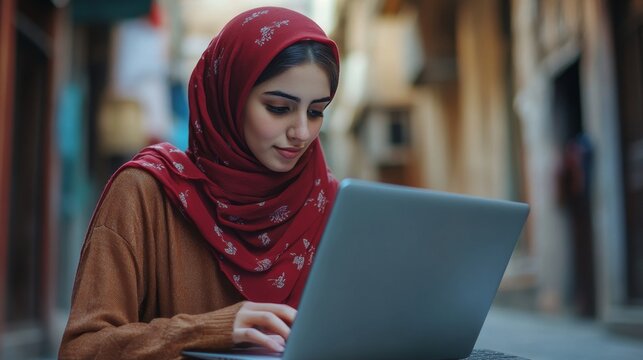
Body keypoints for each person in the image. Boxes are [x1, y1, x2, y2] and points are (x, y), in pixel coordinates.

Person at [59, 6, 340, 359]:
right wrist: (206, 330)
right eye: (278, 108)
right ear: (230, 97)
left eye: (316, 112)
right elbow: (82, 350)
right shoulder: (147, 193)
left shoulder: (330, 204)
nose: (301, 133)